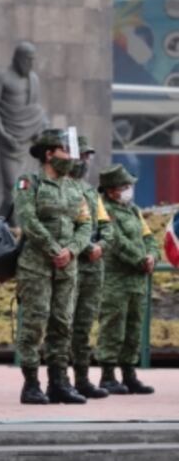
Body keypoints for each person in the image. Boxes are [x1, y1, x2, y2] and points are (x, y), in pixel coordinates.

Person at [14, 128, 92, 405]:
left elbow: (85, 224)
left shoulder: (74, 187)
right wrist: (52, 248)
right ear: (49, 154)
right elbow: (27, 219)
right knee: (34, 324)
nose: (71, 157)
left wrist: (72, 250)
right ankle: (31, 384)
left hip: (67, 266)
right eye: (65, 150)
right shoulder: (29, 182)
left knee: (62, 323)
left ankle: (58, 382)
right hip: (36, 265)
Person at [96, 164, 158, 395]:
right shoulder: (104, 210)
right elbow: (116, 241)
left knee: (134, 328)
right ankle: (108, 376)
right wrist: (141, 260)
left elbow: (149, 237)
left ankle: (129, 375)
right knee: (113, 328)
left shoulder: (133, 210)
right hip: (115, 281)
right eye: (125, 186)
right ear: (111, 190)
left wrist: (152, 255)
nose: (129, 190)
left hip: (137, 281)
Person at [68, 136, 113, 399]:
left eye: (88, 157)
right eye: (82, 156)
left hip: (94, 268)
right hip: (71, 264)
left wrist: (101, 245)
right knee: (63, 325)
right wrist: (87, 247)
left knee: (84, 325)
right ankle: (60, 379)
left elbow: (106, 226)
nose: (85, 162)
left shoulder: (91, 192)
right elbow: (64, 227)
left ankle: (82, 379)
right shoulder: (62, 189)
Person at [0, 41, 49, 221]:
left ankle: (0, 226)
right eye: (28, 59)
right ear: (18, 58)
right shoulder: (1, 77)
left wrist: (40, 128)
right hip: (9, 139)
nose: (31, 64)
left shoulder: (33, 79)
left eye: (33, 60)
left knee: (21, 189)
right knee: (12, 186)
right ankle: (6, 227)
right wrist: (3, 134)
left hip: (28, 140)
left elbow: (34, 109)